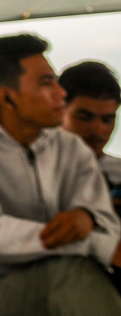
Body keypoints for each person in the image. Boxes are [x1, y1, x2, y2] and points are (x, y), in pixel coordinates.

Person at [0, 33, 121, 316]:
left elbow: (104, 221)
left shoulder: (69, 148)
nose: (60, 93)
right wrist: (90, 238)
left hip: (61, 277)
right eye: (46, 83)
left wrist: (89, 216)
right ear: (8, 98)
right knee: (73, 276)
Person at [59, 60, 121, 290]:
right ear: (59, 110)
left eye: (108, 119)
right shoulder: (34, 171)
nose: (98, 130)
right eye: (84, 117)